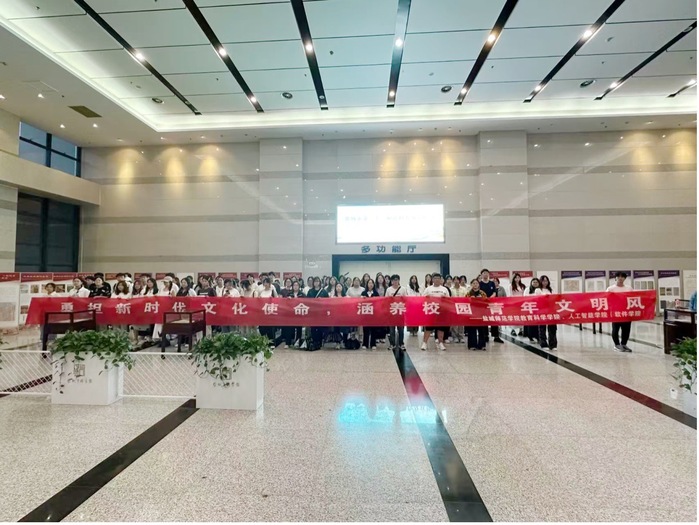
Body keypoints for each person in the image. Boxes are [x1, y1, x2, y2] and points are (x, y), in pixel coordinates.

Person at [421, 272, 451, 352]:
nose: (437, 280)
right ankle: (424, 343)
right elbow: (422, 298)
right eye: (435, 278)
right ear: (432, 280)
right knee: (428, 328)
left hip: (441, 311)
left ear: (441, 280)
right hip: (431, 310)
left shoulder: (444, 289)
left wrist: (445, 298)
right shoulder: (428, 289)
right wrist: (427, 297)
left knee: (441, 328)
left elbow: (449, 300)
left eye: (438, 278)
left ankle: (441, 343)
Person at [606, 272, 634, 352]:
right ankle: (617, 345)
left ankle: (624, 344)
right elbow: (606, 299)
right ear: (615, 278)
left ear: (625, 278)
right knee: (615, 328)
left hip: (626, 312)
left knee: (626, 329)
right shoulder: (610, 289)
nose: (620, 278)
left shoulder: (629, 288)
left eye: (622, 277)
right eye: (618, 277)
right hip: (616, 312)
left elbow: (633, 299)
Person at [478, 269, 503, 343]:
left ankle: (496, 336)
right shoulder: (479, 284)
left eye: (487, 273)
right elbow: (479, 293)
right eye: (484, 273)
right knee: (484, 319)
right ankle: (485, 335)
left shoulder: (492, 283)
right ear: (481, 275)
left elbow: (494, 292)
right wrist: (485, 299)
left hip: (492, 304)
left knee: (494, 319)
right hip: (483, 304)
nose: (485, 274)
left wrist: (490, 298)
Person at [385, 274, 408, 351]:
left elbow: (406, 299)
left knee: (401, 329)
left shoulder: (403, 289)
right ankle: (392, 344)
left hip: (400, 311)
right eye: (393, 280)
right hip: (392, 311)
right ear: (391, 281)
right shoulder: (389, 290)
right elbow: (386, 300)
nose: (395, 281)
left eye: (396, 280)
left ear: (398, 280)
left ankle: (401, 344)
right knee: (392, 329)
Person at [534, 275, 557, 350]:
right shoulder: (538, 290)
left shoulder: (551, 289)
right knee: (542, 328)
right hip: (542, 310)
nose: (545, 282)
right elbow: (537, 299)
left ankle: (553, 344)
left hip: (551, 310)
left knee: (552, 328)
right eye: (543, 281)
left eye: (546, 281)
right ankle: (543, 344)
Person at [307, 277, 329, 350]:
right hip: (312, 312)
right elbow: (307, 301)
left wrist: (322, 300)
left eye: (317, 281)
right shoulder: (310, 291)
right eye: (315, 281)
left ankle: (319, 341)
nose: (316, 283)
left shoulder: (324, 291)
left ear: (320, 282)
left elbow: (328, 301)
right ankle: (314, 341)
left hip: (321, 313)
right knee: (313, 328)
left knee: (320, 328)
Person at [466, 279, 488, 351]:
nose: (475, 285)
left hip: (480, 313)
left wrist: (481, 299)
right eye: (473, 283)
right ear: (471, 285)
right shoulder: (468, 293)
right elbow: (465, 302)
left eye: (476, 283)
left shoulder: (482, 293)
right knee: (472, 330)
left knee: (482, 330)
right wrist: (470, 299)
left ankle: (482, 345)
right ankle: (472, 345)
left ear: (478, 285)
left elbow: (486, 302)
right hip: (472, 314)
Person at [283, 281, 305, 348]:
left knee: (299, 329)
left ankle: (297, 342)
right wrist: (288, 299)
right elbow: (285, 303)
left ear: (299, 286)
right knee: (289, 328)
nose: (295, 286)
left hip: (299, 314)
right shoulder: (289, 294)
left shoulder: (302, 294)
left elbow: (306, 302)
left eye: (297, 285)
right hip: (291, 314)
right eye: (294, 285)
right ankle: (288, 343)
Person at [258, 277, 278, 348]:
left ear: (270, 283)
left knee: (270, 328)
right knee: (262, 328)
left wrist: (272, 299)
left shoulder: (272, 291)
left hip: (270, 312)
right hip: (263, 312)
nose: (265, 284)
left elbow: (277, 300)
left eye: (267, 282)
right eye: (264, 282)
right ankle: (264, 342)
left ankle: (272, 343)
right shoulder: (261, 292)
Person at [361, 279, 380, 349]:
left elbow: (379, 303)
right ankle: (365, 344)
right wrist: (362, 298)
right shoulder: (363, 293)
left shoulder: (376, 293)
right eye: (369, 283)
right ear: (367, 284)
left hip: (374, 314)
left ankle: (373, 344)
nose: (370, 284)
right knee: (365, 329)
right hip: (365, 313)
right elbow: (360, 302)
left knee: (373, 329)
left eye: (372, 283)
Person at [450, 277, 467, 343]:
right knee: (454, 323)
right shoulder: (451, 289)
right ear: (453, 281)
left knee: (461, 323)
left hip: (462, 307)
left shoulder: (463, 289)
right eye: (455, 280)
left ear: (459, 281)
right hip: (453, 307)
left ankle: (461, 336)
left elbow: (466, 297)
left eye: (457, 280)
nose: (456, 281)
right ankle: (455, 337)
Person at [524, 277, 540, 343]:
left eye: (536, 282)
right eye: (534, 282)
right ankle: (530, 337)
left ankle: (537, 336)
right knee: (530, 324)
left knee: (537, 324)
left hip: (538, 308)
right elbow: (525, 297)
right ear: (531, 283)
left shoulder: (539, 289)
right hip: (529, 308)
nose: (535, 283)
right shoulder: (527, 289)